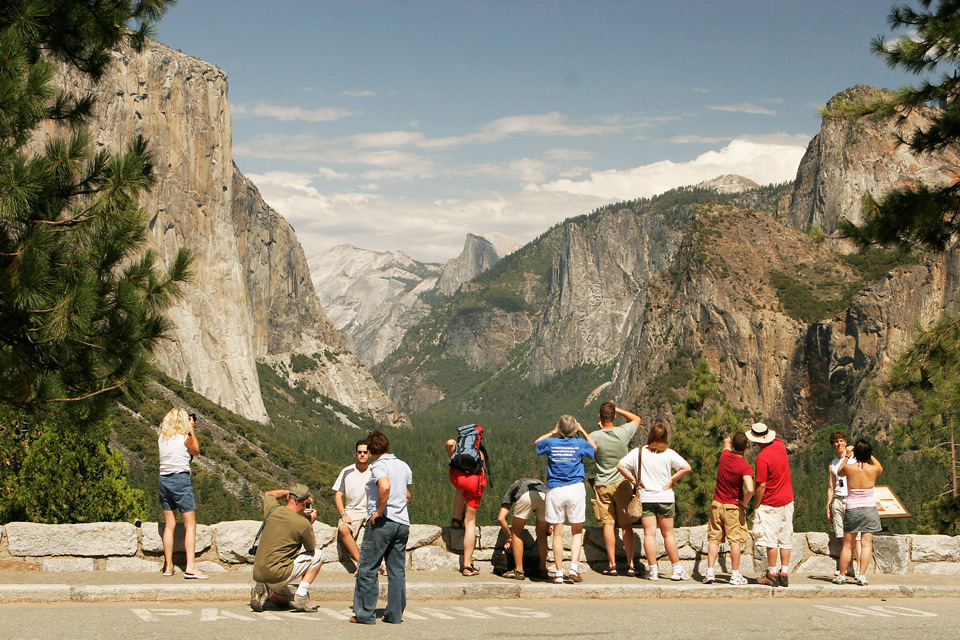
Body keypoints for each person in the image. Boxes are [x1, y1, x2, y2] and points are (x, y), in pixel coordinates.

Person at [351, 430, 413, 625]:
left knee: (368, 568)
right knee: (397, 570)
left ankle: (364, 614)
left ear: (370, 449)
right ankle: (394, 615)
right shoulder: (404, 466)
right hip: (402, 523)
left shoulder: (379, 466)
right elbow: (408, 495)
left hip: (382, 522)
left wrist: (379, 511)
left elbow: (384, 487)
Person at [616, 423, 692, 581]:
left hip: (646, 497)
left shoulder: (638, 452)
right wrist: (671, 480)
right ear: (665, 437)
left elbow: (620, 465)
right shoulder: (669, 454)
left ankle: (653, 570)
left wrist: (634, 480)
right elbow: (686, 468)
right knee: (668, 534)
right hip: (665, 498)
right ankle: (676, 569)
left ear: (650, 435)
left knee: (649, 534)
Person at [535, 415, 596, 584]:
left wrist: (553, 432)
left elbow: (537, 443)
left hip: (555, 489)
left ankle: (559, 573)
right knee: (577, 531)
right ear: (574, 429)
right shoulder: (580, 444)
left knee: (557, 534)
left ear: (560, 429)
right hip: (575, 488)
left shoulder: (552, 443)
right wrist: (583, 431)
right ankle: (574, 568)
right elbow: (594, 448)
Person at [250, 484, 323, 612]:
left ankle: (266, 591)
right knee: (319, 555)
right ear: (305, 502)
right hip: (278, 574)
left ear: (289, 496)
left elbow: (269, 494)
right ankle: (301, 594)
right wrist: (309, 524)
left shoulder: (272, 509)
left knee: (287, 601)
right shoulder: (302, 523)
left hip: (259, 573)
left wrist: (289, 492)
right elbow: (311, 548)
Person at [588, 403, 642, 576]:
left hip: (603, 484)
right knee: (626, 525)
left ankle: (612, 565)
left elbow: (590, 451)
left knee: (608, 524)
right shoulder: (623, 432)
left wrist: (599, 430)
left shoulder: (593, 435)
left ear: (599, 417)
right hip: (622, 483)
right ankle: (631, 564)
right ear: (615, 417)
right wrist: (617, 409)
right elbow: (636, 419)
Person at [157, 407, 206, 579]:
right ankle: (190, 567)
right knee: (190, 525)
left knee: (169, 525)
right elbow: (196, 451)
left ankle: (168, 567)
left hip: (163, 480)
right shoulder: (185, 438)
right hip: (180, 479)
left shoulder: (162, 438)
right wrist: (191, 430)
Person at [703, 433, 754, 585]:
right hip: (732, 507)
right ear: (746, 447)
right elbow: (750, 489)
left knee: (714, 539)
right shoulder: (745, 466)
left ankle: (710, 572)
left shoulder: (724, 457)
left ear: (732, 445)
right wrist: (744, 503)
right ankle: (735, 574)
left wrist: (728, 441)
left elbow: (725, 444)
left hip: (717, 504)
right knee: (735, 541)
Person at [747, 422, 794, 588]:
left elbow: (761, 486)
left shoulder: (762, 458)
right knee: (785, 537)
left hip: (771, 502)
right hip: (788, 499)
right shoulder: (780, 445)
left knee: (771, 539)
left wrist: (756, 505)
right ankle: (785, 573)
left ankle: (772, 573)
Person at [834, 439, 883, 586]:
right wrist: (868, 454)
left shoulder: (849, 468)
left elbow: (839, 471)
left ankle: (842, 575)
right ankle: (862, 575)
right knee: (867, 544)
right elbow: (880, 467)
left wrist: (849, 455)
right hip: (869, 508)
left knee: (848, 545)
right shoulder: (873, 469)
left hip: (853, 507)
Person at [446, 433, 487, 576]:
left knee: (460, 487)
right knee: (470, 522)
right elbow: (481, 471)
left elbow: (449, 443)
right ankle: (467, 565)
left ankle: (457, 519)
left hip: (458, 479)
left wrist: (455, 444)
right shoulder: (479, 453)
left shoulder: (458, 451)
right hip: (474, 483)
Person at [496, 477, 549, 580]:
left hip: (526, 496)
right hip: (545, 497)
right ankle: (543, 569)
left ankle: (519, 570)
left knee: (517, 532)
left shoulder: (515, 486)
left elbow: (501, 518)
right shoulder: (541, 484)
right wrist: (548, 527)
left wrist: (510, 536)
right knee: (542, 534)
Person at [333, 440, 373, 566]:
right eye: (360, 452)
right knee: (343, 529)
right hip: (352, 511)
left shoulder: (376, 471)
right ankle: (362, 564)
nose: (362, 454)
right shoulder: (347, 471)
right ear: (356, 453)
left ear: (370, 454)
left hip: (371, 511)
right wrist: (343, 514)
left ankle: (382, 563)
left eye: (365, 452)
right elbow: (338, 495)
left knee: (383, 531)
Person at [827, 430, 860, 577]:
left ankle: (860, 568)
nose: (839, 444)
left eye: (841, 440)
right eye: (836, 441)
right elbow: (831, 486)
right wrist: (829, 505)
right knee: (842, 536)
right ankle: (849, 567)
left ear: (845, 442)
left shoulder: (855, 459)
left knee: (856, 537)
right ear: (833, 445)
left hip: (852, 498)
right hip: (838, 500)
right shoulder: (833, 464)